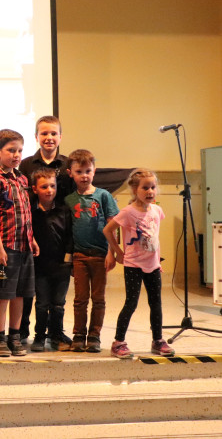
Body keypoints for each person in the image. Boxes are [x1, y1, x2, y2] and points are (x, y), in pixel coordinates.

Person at [104, 169, 175, 358]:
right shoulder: (128, 212)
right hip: (133, 266)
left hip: (153, 266)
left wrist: (157, 261)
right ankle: (118, 342)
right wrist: (117, 252)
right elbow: (107, 231)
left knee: (156, 303)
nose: (150, 191)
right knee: (131, 303)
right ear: (135, 190)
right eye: (145, 188)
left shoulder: (157, 211)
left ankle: (158, 340)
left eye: (153, 187)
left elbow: (154, 237)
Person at [0, 129, 39, 357]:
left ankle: (14, 336)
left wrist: (32, 238)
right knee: (3, 294)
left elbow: (25, 212)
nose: (16, 155)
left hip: (24, 245)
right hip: (5, 247)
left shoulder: (22, 179)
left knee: (20, 294)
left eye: (19, 151)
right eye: (11, 150)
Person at [18, 115, 73, 342]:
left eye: (53, 133)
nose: (49, 138)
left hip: (59, 230)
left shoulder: (68, 165)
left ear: (60, 136)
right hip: (34, 228)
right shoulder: (27, 164)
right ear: (36, 137)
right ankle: (23, 331)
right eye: (44, 133)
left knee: (55, 293)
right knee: (30, 289)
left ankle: (55, 332)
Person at [64, 149, 119, 353]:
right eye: (79, 171)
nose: (84, 175)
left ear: (94, 171)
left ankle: (94, 335)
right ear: (71, 173)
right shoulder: (69, 200)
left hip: (99, 255)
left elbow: (114, 223)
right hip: (79, 256)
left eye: (88, 171)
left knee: (98, 298)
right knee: (80, 299)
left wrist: (112, 252)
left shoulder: (103, 196)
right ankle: (79, 334)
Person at [29, 168, 74, 352]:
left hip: (61, 266)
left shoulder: (64, 210)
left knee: (58, 303)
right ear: (35, 189)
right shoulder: (31, 212)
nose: (49, 190)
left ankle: (56, 334)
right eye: (44, 186)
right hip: (40, 266)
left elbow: (70, 237)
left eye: (52, 186)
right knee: (41, 303)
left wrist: (68, 261)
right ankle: (39, 336)